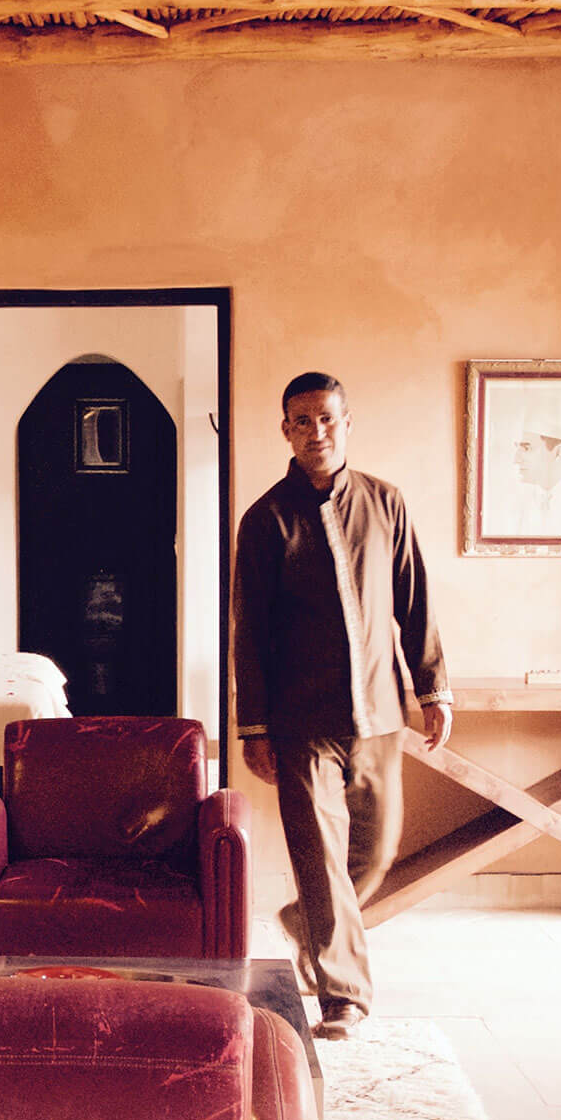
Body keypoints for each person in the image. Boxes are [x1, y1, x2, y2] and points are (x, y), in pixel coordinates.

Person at [232, 372, 453, 1039]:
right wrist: (254, 726)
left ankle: (308, 922)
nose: (316, 432)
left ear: (347, 422)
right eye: (302, 421)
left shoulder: (387, 503)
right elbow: (250, 631)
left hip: (380, 714)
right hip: (301, 722)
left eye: (326, 418)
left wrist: (432, 688)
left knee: (376, 853)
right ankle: (343, 997)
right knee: (320, 857)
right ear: (286, 431)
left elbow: (414, 602)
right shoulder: (266, 520)